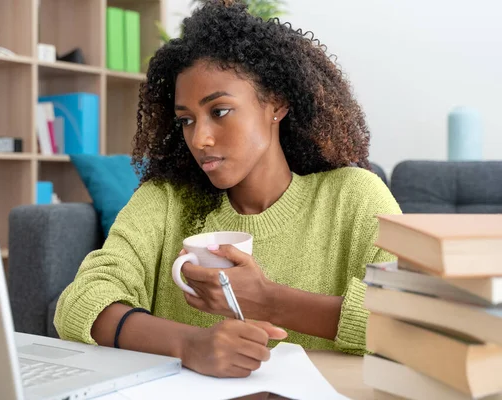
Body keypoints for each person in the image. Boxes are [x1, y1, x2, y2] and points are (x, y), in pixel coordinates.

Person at [54, 0, 401, 379]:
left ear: (276, 103)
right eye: (186, 120)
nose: (199, 138)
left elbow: (413, 322)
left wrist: (270, 301)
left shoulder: (353, 196)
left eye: (219, 111)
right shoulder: (166, 200)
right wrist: (190, 345)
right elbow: (79, 303)